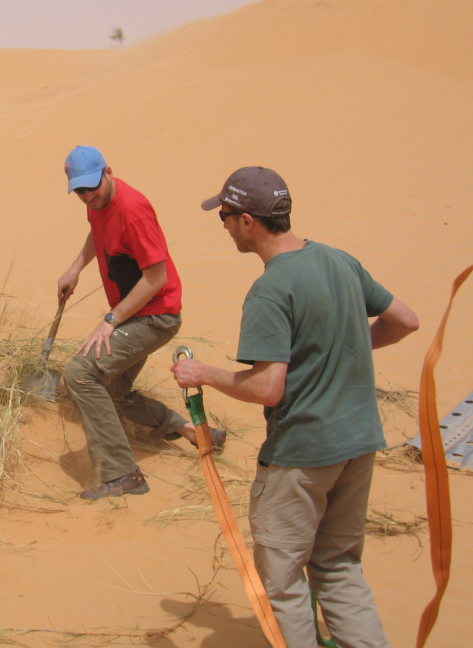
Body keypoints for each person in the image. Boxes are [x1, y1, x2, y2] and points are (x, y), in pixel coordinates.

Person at [170, 166, 419, 647]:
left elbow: (268, 388)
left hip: (303, 454)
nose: (224, 226)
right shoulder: (339, 260)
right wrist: (340, 346)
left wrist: (204, 374)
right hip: (358, 445)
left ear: (247, 222)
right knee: (339, 567)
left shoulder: (270, 289)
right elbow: (405, 321)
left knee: (283, 584)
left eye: (224, 217)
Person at [58, 145, 223, 501]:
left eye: (92, 187)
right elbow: (97, 232)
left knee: (79, 374)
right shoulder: (96, 203)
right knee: (113, 389)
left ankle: (123, 475)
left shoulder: (133, 210)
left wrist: (111, 320)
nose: (88, 196)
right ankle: (190, 430)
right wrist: (75, 268)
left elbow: (156, 278)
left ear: (109, 172)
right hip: (136, 312)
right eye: (80, 191)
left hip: (156, 316)